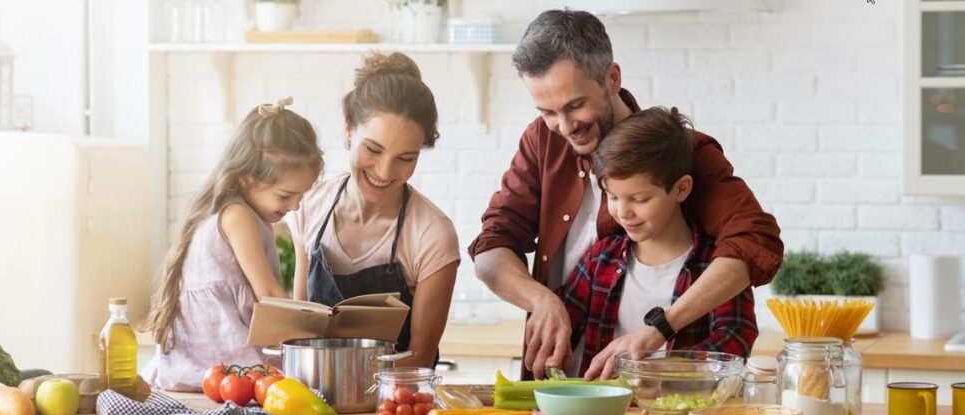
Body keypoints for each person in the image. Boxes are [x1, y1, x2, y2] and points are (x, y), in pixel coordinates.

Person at [468, 10, 783, 379]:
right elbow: (491, 247)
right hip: (570, 383)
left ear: (612, 78)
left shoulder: (680, 152)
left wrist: (660, 331)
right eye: (547, 112)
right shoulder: (543, 140)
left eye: (574, 105)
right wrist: (541, 300)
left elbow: (755, 241)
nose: (564, 127)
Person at [290, 52, 460, 368]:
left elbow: (420, 359)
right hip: (312, 402)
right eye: (373, 149)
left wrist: (350, 385)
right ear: (348, 130)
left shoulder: (432, 233)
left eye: (405, 158)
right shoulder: (309, 206)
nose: (384, 171)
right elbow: (299, 333)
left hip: (395, 405)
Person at [561, 107, 758, 380]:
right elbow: (564, 328)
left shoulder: (716, 266)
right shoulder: (599, 259)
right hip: (603, 414)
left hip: (680, 413)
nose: (622, 212)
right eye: (612, 196)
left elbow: (735, 340)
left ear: (681, 189)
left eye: (639, 199)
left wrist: (657, 370)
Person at [143, 98, 323, 391]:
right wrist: (310, 337)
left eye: (301, 196)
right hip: (221, 360)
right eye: (285, 195)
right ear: (247, 179)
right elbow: (268, 293)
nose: (294, 205)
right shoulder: (238, 215)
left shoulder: (233, 210)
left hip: (204, 363)